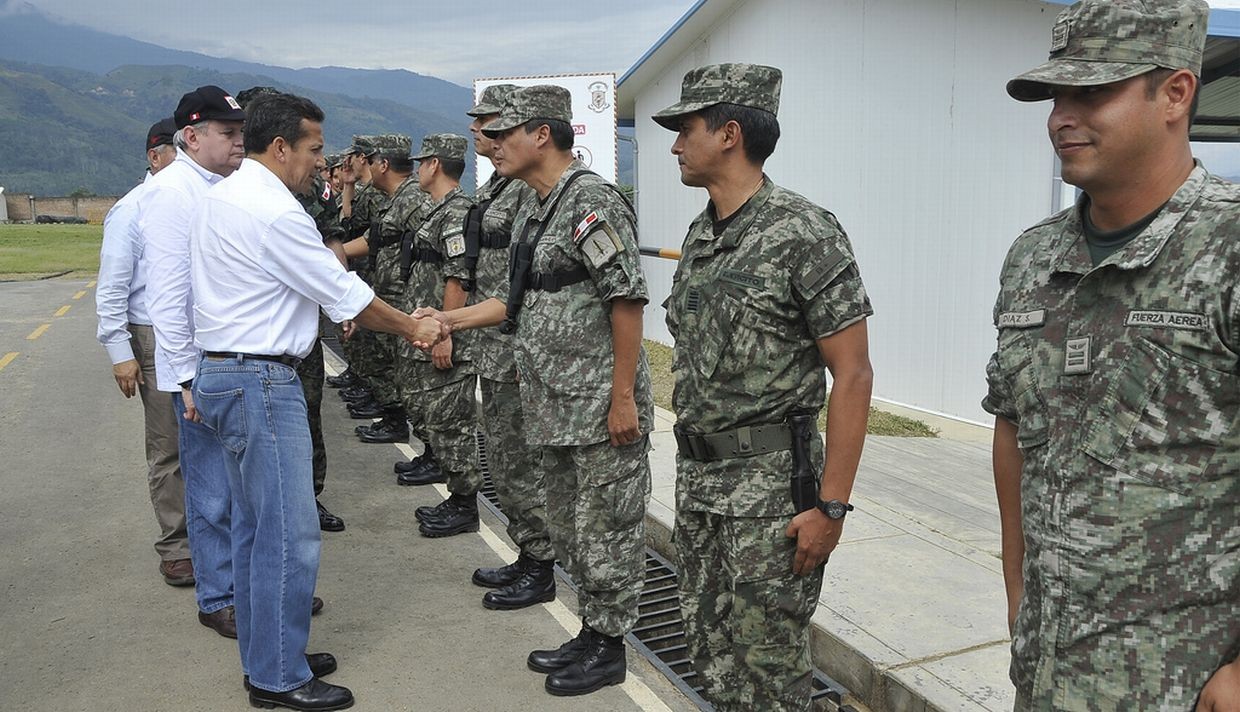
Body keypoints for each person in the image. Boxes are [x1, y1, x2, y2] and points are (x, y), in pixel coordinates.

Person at [985, 1, 1240, 709]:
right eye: (1055, 95)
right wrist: (1019, 592)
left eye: (1092, 91)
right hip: (1046, 669)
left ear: (1176, 94)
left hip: (1185, 683)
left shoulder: (1227, 248)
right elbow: (1013, 430)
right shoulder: (1033, 258)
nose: (1062, 116)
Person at [189, 91, 444, 711]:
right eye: (313, 148)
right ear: (280, 147)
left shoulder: (223, 196)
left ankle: (270, 648)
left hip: (223, 373)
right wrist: (415, 326)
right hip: (261, 383)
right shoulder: (275, 210)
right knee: (286, 535)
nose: (319, 161)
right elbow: (346, 295)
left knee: (252, 532)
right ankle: (278, 676)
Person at [415, 84, 654, 697]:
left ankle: (608, 646)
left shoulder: (591, 202)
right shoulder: (537, 207)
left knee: (607, 528)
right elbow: (511, 301)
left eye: (504, 134)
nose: (492, 144)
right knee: (573, 530)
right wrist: (448, 320)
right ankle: (591, 631)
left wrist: (623, 395)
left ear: (541, 134)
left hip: (598, 403)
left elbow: (626, 301)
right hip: (553, 401)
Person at [652, 63, 874, 712]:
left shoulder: (803, 231)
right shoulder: (701, 235)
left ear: (728, 135)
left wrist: (830, 507)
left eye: (683, 129)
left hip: (772, 496)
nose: (672, 145)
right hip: (700, 486)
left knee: (768, 671)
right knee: (711, 653)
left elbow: (854, 373)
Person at [137, 85, 245, 638]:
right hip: (199, 365)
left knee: (239, 488)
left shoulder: (217, 185)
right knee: (211, 491)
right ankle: (219, 596)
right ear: (192, 136)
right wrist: (182, 379)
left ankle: (244, 589)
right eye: (227, 133)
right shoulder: (174, 192)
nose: (238, 143)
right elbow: (169, 296)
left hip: (228, 358)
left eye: (240, 132)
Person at [460, 84, 556, 609]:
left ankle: (540, 564)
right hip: (492, 341)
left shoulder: (526, 190)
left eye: (495, 124)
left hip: (515, 347)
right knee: (502, 457)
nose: (485, 133)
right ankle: (529, 553)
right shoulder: (499, 187)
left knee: (522, 462)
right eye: (480, 125)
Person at [95, 116, 194, 586]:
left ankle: (213, 538)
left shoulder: (195, 199)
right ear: (156, 157)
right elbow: (113, 285)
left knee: (206, 441)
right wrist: (120, 349)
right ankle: (176, 546)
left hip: (198, 332)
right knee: (168, 445)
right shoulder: (132, 209)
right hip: (152, 334)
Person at [396, 133, 482, 538]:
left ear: (436, 164)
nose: (417, 168)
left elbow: (457, 276)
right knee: (437, 419)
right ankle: (456, 496)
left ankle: (466, 504)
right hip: (426, 332)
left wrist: (445, 332)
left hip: (442, 334)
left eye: (423, 161)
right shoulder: (438, 210)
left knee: (453, 423)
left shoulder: (457, 212)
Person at [349, 134, 416, 445]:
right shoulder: (394, 200)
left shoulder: (412, 200)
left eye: (372, 161)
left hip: (404, 298)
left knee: (401, 370)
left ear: (384, 164)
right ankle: (392, 418)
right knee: (384, 363)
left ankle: (398, 422)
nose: (368, 166)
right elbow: (372, 240)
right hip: (385, 292)